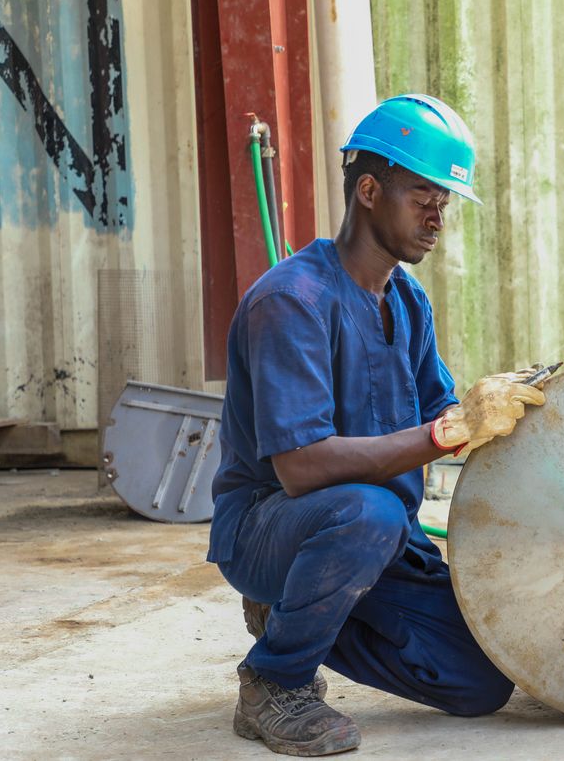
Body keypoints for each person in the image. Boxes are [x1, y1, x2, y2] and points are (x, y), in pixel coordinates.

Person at [206, 94, 544, 757]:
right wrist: (447, 433)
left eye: (444, 201)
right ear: (368, 190)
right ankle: (276, 679)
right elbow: (300, 468)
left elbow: (448, 417)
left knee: (481, 682)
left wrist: (525, 404)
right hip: (273, 527)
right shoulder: (290, 301)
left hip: (377, 537)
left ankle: (293, 618)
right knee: (368, 513)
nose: (437, 215)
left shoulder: (407, 302)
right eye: (423, 194)